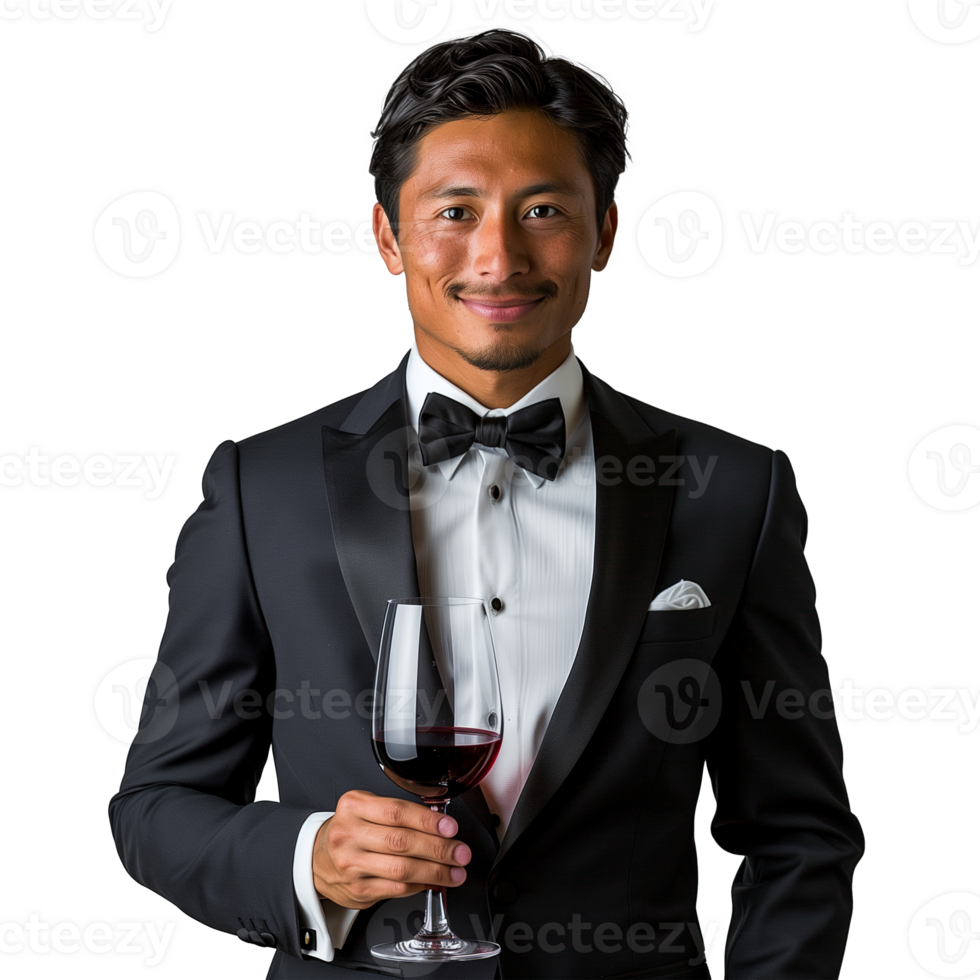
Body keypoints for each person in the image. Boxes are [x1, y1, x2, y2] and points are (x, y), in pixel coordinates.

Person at [107, 23, 865, 980]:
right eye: (455, 211)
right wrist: (309, 863)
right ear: (386, 238)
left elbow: (801, 836)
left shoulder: (737, 490)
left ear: (610, 234)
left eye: (543, 209)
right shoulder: (261, 486)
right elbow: (157, 808)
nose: (499, 259)